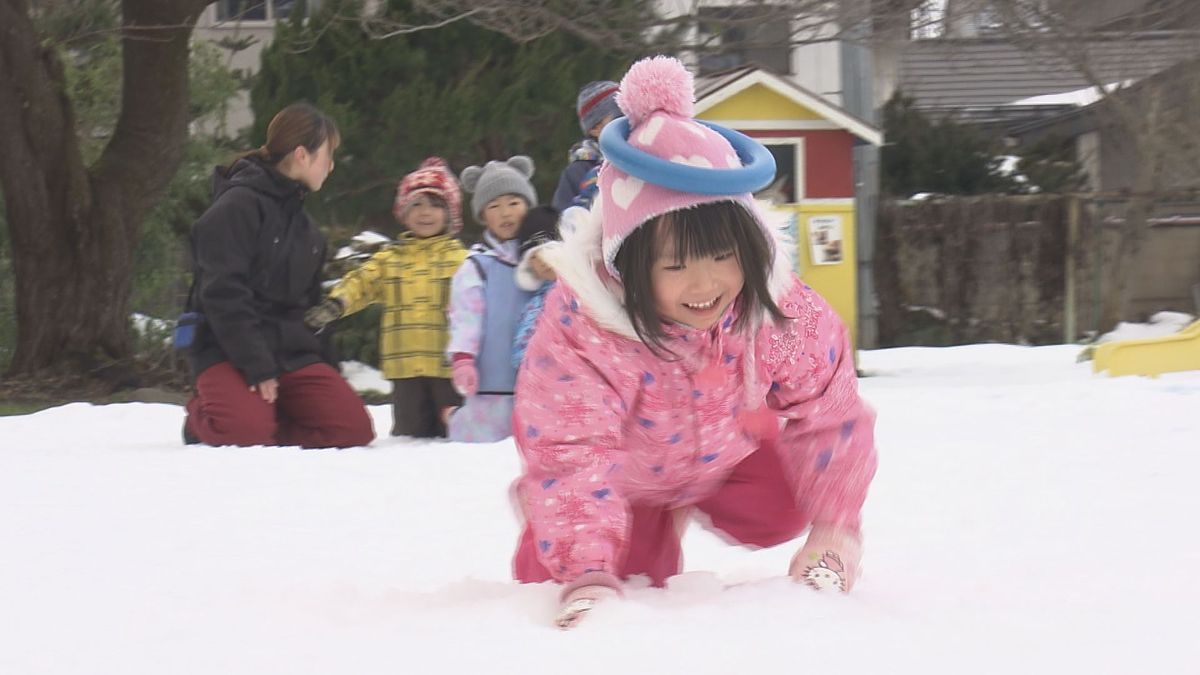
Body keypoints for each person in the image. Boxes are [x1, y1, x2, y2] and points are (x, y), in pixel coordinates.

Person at [509, 57, 877, 629]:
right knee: (605, 574)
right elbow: (572, 449)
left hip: (722, 456)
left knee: (786, 502)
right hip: (623, 474)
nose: (705, 284)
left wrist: (834, 530)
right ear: (627, 264)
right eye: (675, 265)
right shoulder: (584, 334)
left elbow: (831, 411)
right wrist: (586, 572)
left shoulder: (774, 309)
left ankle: (693, 500)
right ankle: (565, 518)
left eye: (724, 257)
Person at [182, 103, 375, 449]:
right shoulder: (234, 209)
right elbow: (223, 295)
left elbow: (312, 310)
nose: (330, 167)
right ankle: (202, 419)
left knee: (353, 430)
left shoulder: (308, 232)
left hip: (289, 351)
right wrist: (257, 366)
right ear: (302, 155)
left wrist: (328, 370)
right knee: (243, 433)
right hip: (227, 348)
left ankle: (264, 420)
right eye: (327, 156)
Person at [305, 157, 468, 438]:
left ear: (450, 214)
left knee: (455, 435)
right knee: (409, 437)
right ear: (402, 212)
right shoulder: (390, 259)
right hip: (405, 369)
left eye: (435, 205)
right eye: (416, 204)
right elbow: (361, 283)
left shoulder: (463, 261)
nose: (425, 213)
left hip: (448, 369)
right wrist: (336, 303)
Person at [444, 156, 539, 442]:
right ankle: (456, 420)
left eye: (513, 203)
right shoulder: (478, 266)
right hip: (492, 381)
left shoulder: (544, 260)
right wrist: (463, 359)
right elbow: (465, 317)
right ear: (484, 216)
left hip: (540, 379)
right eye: (494, 206)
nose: (505, 213)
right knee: (484, 445)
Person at [551, 80, 621, 212]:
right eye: (619, 115)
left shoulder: (644, 152)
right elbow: (563, 222)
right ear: (595, 128)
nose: (628, 121)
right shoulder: (577, 172)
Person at [511, 205, 561, 369]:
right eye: (535, 257)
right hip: (543, 380)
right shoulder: (536, 304)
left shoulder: (584, 292)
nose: (543, 261)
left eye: (549, 251)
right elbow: (522, 348)